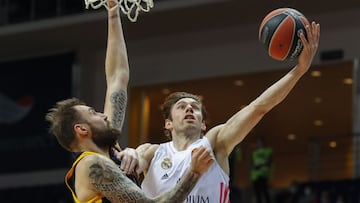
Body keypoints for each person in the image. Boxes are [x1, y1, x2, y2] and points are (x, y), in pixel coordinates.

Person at [129, 21, 321, 202]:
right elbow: (133, 159)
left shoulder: (215, 143)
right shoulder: (153, 153)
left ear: (203, 123)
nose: (189, 108)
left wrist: (299, 71)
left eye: (195, 108)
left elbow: (258, 108)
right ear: (168, 123)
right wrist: (130, 154)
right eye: (181, 107)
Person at [45, 1, 214, 202]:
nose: (103, 114)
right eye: (93, 113)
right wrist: (193, 173)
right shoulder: (92, 165)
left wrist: (113, 11)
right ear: (82, 129)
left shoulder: (112, 151)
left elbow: (118, 77)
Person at [251, 137, 273, 203]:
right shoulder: (254, 153)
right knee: (257, 193)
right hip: (255, 175)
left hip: (264, 174)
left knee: (264, 191)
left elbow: (269, 162)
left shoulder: (268, 151)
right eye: (257, 143)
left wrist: (261, 165)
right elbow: (252, 164)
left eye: (260, 142)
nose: (259, 144)